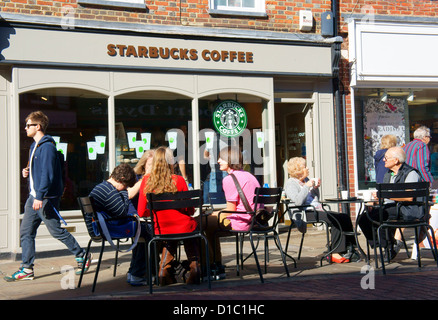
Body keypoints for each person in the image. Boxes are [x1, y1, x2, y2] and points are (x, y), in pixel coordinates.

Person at [4, 111, 91, 282]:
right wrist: (27, 172)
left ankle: (82, 256)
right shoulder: (34, 146)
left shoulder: (47, 147)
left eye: (28, 125)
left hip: (44, 199)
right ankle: (27, 269)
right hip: (34, 197)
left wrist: (40, 196)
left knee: (56, 231)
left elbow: (48, 175)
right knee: (26, 232)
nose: (25, 128)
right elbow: (40, 171)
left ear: (38, 126)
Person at [136, 146, 200, 286]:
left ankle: (163, 272)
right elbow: (190, 210)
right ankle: (195, 268)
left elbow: (141, 212)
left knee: (170, 237)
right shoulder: (179, 180)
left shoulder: (146, 181)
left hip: (160, 227)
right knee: (189, 229)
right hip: (183, 227)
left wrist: (156, 212)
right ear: (171, 162)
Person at [201, 146, 261, 278]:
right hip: (252, 220)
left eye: (221, 158)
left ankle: (208, 267)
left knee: (200, 222)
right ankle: (216, 266)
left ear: (229, 160)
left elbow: (230, 211)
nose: (218, 161)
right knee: (210, 227)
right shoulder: (250, 176)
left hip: (240, 221)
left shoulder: (229, 179)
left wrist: (212, 215)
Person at [284, 157, 358, 263]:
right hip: (305, 213)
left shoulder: (306, 180)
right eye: (304, 167)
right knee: (334, 220)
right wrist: (307, 186)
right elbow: (298, 202)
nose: (307, 168)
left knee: (344, 217)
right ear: (297, 170)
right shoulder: (291, 183)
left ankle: (350, 247)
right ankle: (335, 252)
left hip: (317, 209)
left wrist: (315, 188)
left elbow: (315, 199)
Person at [89, 163, 152, 286]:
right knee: (148, 230)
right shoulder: (108, 190)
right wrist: (125, 193)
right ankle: (138, 274)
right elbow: (122, 212)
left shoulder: (103, 187)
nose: (125, 188)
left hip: (102, 226)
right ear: (122, 179)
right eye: (125, 185)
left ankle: (134, 272)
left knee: (141, 230)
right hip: (107, 228)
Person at [358, 146, 425, 260]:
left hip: (408, 209)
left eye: (386, 158)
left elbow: (409, 198)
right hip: (392, 207)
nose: (384, 160)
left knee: (381, 216)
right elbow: (386, 196)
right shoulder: (389, 174)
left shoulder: (411, 173)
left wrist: (385, 196)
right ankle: (385, 245)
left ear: (396, 160)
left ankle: (389, 247)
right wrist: (375, 201)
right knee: (363, 218)